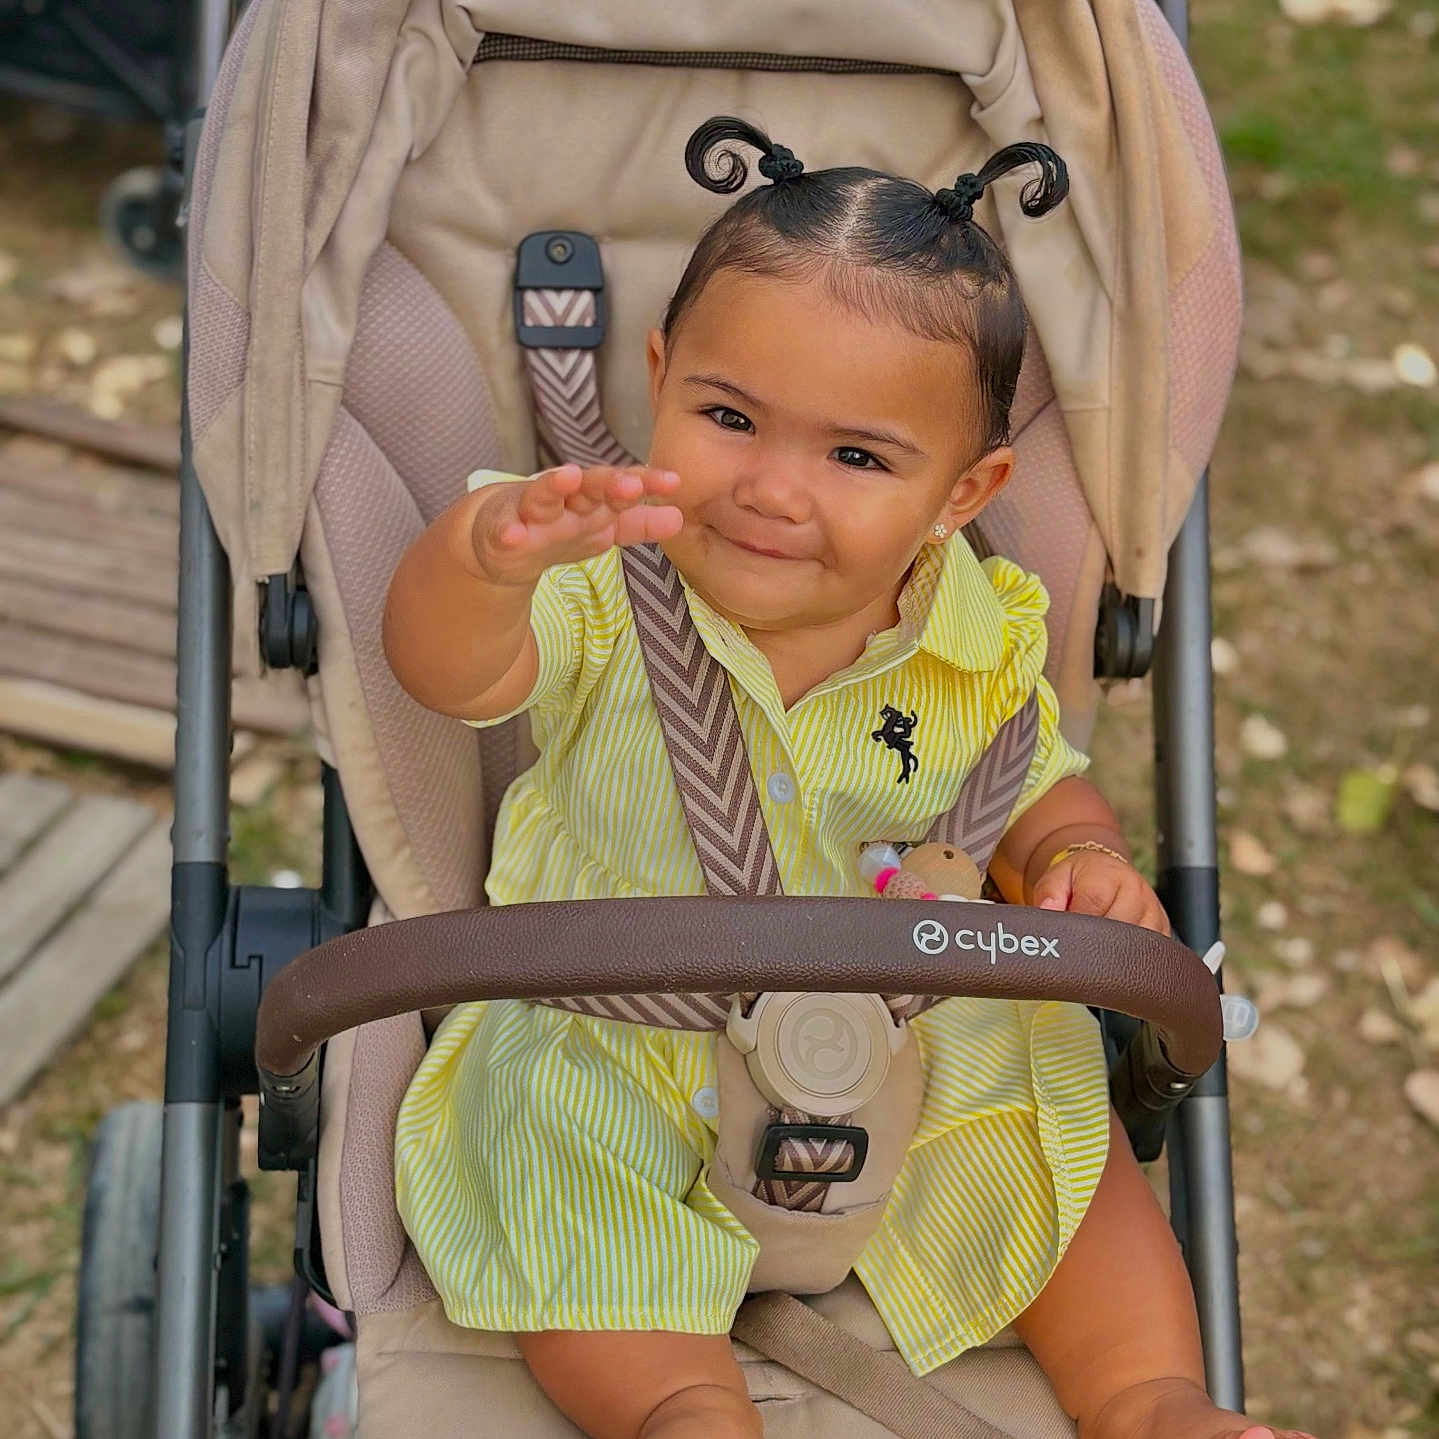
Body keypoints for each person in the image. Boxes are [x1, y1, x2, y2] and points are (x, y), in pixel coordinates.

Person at [383, 117, 1310, 1439]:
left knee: (1059, 1143)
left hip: (908, 1033)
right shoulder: (597, 570)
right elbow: (449, 676)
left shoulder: (975, 625)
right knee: (553, 1164)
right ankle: (686, 1413)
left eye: (858, 457)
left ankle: (1150, 1399)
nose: (771, 487)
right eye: (728, 415)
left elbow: (1033, 774)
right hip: (618, 1028)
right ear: (658, 378)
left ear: (960, 489)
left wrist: (1082, 863)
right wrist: (482, 559)